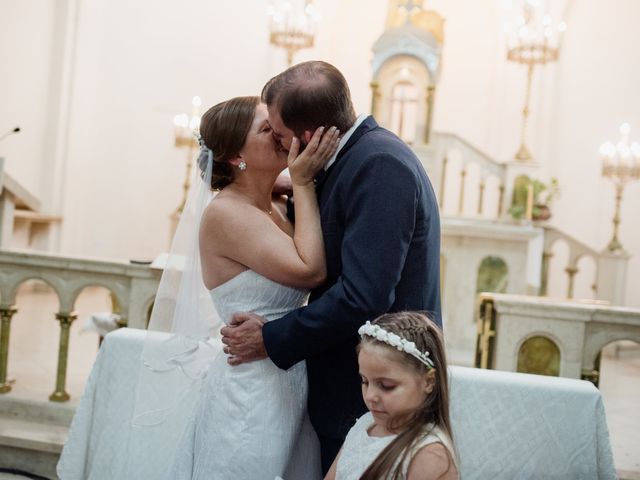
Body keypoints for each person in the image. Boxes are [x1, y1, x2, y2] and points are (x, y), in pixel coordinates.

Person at [221, 61, 442, 473]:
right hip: (346, 385)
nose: (283, 149)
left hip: (374, 388)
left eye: (282, 136)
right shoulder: (357, 158)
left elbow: (364, 296)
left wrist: (269, 337)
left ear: (309, 136)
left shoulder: (379, 166)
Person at [162, 96, 340, 479]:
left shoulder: (271, 204)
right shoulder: (226, 213)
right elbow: (310, 270)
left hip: (286, 380)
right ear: (233, 156)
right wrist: (303, 182)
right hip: (250, 391)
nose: (280, 135)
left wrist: (287, 183)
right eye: (266, 130)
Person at [325, 311, 458, 480]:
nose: (371, 395)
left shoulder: (429, 455)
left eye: (387, 386)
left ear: (428, 382)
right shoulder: (366, 423)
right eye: (365, 381)